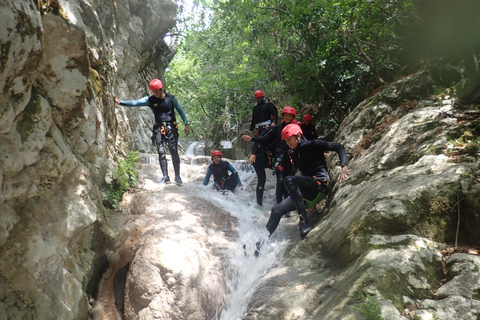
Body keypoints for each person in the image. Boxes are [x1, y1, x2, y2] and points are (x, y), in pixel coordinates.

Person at [265, 123, 350, 239]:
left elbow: (339, 147)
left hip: (322, 183)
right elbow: (303, 176)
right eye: (286, 141)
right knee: (276, 210)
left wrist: (344, 166)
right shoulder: (294, 154)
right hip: (310, 189)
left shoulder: (313, 144)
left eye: (290, 139)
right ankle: (260, 243)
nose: (288, 143)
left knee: (289, 179)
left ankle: (304, 221)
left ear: (298, 136)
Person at [115, 78, 190, 184]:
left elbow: (180, 111)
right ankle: (165, 176)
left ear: (161, 89)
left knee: (173, 150)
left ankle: (177, 176)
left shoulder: (171, 98)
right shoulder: (150, 100)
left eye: (157, 90)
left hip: (171, 127)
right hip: (159, 128)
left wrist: (186, 123)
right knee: (161, 151)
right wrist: (120, 102)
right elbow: (136, 103)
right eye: (153, 91)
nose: (155, 93)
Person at [242, 107, 297, 207]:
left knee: (288, 181)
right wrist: (252, 142)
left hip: (289, 158)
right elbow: (262, 138)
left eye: (290, 116)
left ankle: (287, 206)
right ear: (283, 117)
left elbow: (304, 141)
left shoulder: (295, 130)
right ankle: (272, 206)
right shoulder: (276, 129)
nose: (287, 117)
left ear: (293, 117)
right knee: (279, 182)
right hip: (270, 157)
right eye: (285, 115)